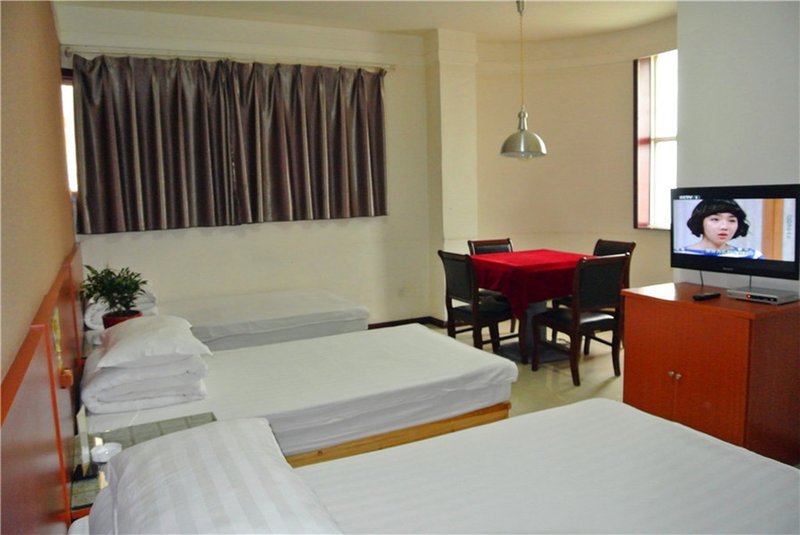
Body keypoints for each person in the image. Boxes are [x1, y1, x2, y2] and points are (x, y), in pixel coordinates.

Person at [677, 198, 764, 258]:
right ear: (700, 222)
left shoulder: (752, 256)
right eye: (715, 219)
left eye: (731, 220)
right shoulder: (681, 254)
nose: (724, 227)